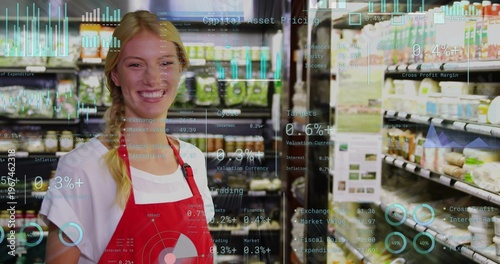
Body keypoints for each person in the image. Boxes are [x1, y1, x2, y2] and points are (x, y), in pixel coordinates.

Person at [40, 10, 215, 264]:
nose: (153, 78)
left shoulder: (192, 161)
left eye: (165, 63)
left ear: (181, 70)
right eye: (136, 64)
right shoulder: (82, 169)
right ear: (115, 75)